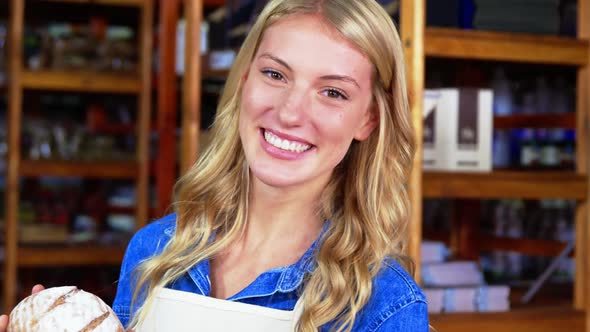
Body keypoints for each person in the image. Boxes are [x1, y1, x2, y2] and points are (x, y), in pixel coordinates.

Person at [1, 0, 427, 331]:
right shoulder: (155, 252)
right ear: (244, 81)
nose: (291, 113)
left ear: (369, 118)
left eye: (333, 92)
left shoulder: (384, 304)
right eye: (276, 75)